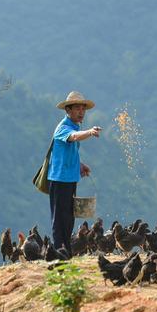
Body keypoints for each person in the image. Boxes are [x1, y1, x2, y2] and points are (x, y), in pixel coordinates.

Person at [47, 91, 102, 257]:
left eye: (83, 109)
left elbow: (69, 150)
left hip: (70, 179)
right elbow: (73, 138)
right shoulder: (63, 128)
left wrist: (79, 165)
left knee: (69, 218)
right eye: (77, 108)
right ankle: (58, 254)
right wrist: (90, 132)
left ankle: (66, 253)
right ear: (68, 110)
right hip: (59, 179)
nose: (81, 112)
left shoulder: (74, 126)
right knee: (59, 219)